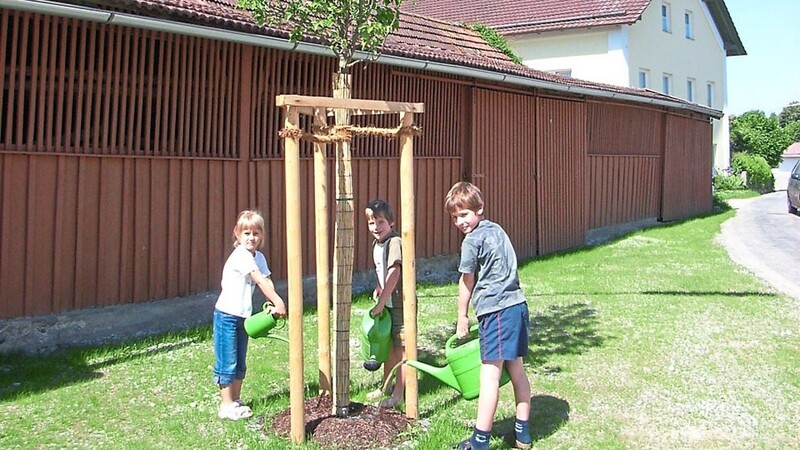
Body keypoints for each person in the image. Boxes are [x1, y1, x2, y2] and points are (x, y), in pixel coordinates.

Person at [444, 182, 532, 450]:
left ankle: (480, 441)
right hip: (517, 305)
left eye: (464, 214)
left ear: (479, 209)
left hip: (496, 311)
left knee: (489, 376)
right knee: (516, 368)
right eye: (454, 217)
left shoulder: (472, 241)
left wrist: (462, 316)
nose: (460, 222)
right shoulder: (497, 230)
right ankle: (523, 434)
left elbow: (466, 281)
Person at [213, 210, 286, 420]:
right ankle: (226, 405)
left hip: (243, 316)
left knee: (240, 360)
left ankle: (235, 400)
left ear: (261, 235)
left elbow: (267, 279)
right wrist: (279, 302)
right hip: (226, 315)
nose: (251, 237)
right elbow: (259, 280)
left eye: (256, 233)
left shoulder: (258, 257)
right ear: (237, 234)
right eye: (246, 233)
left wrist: (273, 303)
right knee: (227, 360)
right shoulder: (241, 256)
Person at [364, 199, 407, 409]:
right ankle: (386, 385)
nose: (375, 228)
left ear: (391, 222)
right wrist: (379, 288)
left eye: (380, 222)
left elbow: (394, 271)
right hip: (387, 300)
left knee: (401, 349)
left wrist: (381, 302)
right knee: (389, 347)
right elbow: (380, 271)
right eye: (371, 223)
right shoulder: (377, 244)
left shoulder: (394, 242)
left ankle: (400, 393)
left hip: (400, 304)